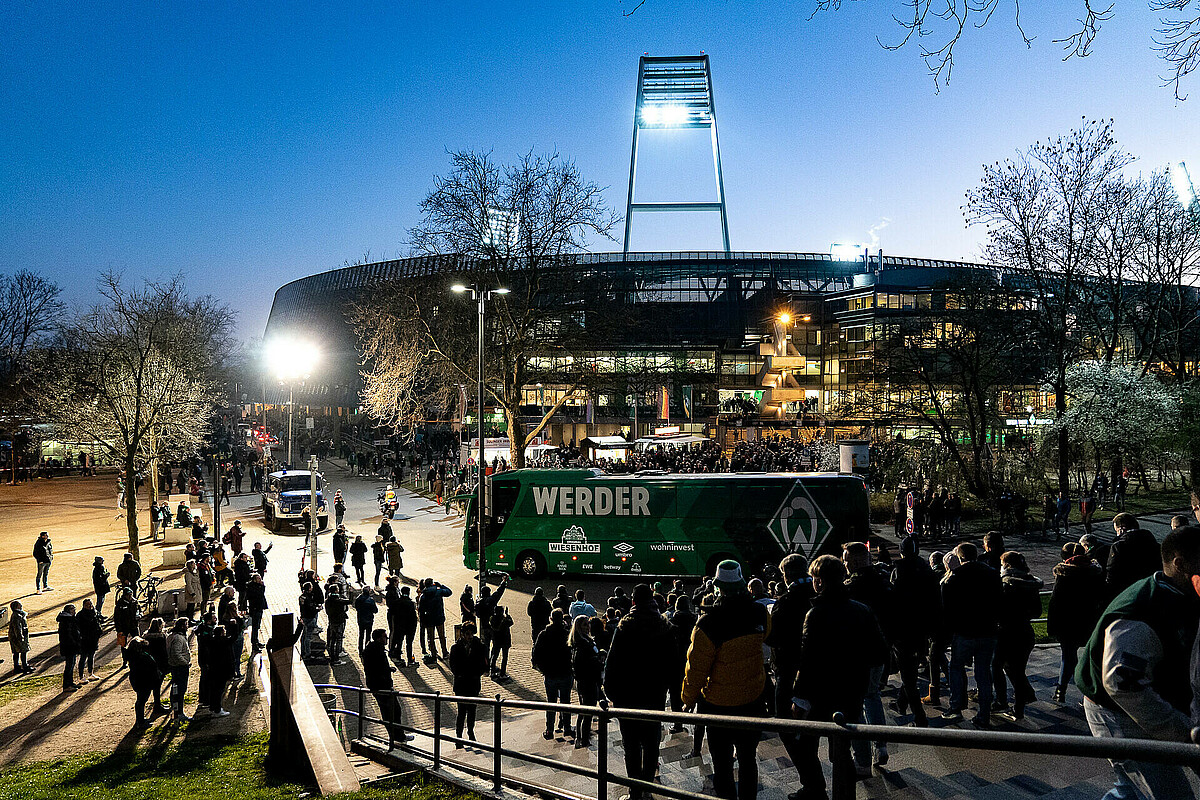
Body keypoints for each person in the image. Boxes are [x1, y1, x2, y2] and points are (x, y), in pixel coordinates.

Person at [1078, 525, 1200, 799]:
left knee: (1132, 787)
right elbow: (1122, 685)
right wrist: (1183, 732)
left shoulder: (1180, 596)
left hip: (1142, 703)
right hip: (1118, 712)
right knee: (1166, 793)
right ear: (1181, 564)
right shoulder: (1142, 612)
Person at [790, 555, 887, 800]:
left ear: (820, 582)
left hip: (821, 693)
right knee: (842, 749)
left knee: (805, 742)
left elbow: (807, 660)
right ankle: (845, 796)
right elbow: (879, 653)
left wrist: (799, 698)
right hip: (853, 690)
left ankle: (814, 789)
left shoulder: (816, 614)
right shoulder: (862, 609)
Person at [681, 561, 771, 800]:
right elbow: (766, 635)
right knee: (748, 759)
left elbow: (696, 668)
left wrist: (688, 699)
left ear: (717, 587)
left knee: (721, 764)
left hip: (718, 707)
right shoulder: (759, 612)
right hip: (752, 701)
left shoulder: (707, 623)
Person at [842, 541, 893, 770]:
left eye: (845, 559)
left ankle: (861, 758)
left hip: (856, 653)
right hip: (879, 650)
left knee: (854, 704)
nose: (844, 563)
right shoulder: (883, 581)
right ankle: (880, 745)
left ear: (853, 561)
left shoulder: (850, 588)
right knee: (872, 697)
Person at [941, 542, 1002, 726]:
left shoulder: (955, 578)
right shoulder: (992, 573)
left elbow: (947, 609)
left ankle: (956, 707)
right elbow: (1000, 600)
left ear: (960, 557)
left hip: (964, 631)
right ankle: (984, 713)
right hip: (988, 630)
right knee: (983, 672)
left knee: (956, 668)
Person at [889, 535, 939, 727]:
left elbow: (893, 601)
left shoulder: (899, 571)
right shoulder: (928, 571)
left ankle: (920, 718)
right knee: (910, 669)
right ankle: (901, 703)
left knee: (908, 675)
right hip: (923, 628)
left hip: (903, 629)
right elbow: (936, 602)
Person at [1048, 542, 1104, 702]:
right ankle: (1091, 690)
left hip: (1067, 621)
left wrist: (1052, 626)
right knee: (1092, 656)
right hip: (1089, 619)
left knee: (1068, 656)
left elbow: (1055, 602)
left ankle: (1061, 690)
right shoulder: (1095, 573)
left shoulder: (1064, 574)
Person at [993, 552, 1043, 720]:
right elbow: (1037, 611)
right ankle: (1019, 706)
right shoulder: (1031, 584)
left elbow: (999, 610)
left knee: (997, 665)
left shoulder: (1006, 585)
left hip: (1006, 632)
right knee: (1018, 670)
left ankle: (1002, 701)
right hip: (1025, 631)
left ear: (1006, 565)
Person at [362, 629, 412, 749]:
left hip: (378, 685)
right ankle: (397, 736)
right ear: (379, 638)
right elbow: (375, 669)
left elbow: (376, 667)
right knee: (392, 711)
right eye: (385, 637)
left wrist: (389, 669)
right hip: (381, 686)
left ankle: (396, 735)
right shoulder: (375, 651)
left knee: (391, 711)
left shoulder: (373, 649)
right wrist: (386, 675)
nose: (387, 639)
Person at [533, 608, 574, 739]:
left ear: (550, 618)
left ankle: (549, 729)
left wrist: (543, 669)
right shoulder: (567, 633)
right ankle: (567, 727)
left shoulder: (544, 634)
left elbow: (536, 654)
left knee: (551, 702)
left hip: (550, 673)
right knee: (565, 701)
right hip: (565, 672)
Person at [448, 622, 489, 746]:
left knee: (472, 710)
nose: (469, 636)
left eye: (471, 634)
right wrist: (461, 674)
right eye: (467, 634)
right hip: (461, 684)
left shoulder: (479, 646)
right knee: (461, 711)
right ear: (462, 634)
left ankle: (471, 732)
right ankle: (459, 736)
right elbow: (453, 665)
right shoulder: (456, 647)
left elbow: (484, 663)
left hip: (473, 683)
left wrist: (477, 673)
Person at [1106, 513, 1162, 599]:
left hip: (1127, 591)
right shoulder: (1152, 542)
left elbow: (1112, 572)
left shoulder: (1119, 546)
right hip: (1152, 588)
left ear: (1122, 529)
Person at [569, 614, 602, 748]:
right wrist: (596, 661)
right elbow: (581, 664)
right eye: (584, 624)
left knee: (586, 710)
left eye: (588, 624)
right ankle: (582, 738)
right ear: (578, 627)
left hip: (589, 680)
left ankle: (581, 737)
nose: (588, 627)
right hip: (586, 681)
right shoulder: (581, 644)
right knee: (586, 710)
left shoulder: (586, 640)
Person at [127, 637, 166, 729]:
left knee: (141, 700)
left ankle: (140, 720)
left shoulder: (133, 657)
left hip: (139, 681)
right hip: (144, 681)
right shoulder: (142, 657)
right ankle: (140, 722)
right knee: (141, 701)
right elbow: (150, 668)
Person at [166, 618, 194, 721]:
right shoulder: (178, 638)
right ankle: (179, 712)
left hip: (175, 667)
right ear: (182, 626)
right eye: (186, 624)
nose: (188, 626)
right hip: (180, 667)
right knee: (180, 690)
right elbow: (176, 654)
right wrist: (185, 662)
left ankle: (175, 708)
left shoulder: (172, 636)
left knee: (175, 689)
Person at [419, 579, 452, 661]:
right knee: (441, 636)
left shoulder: (423, 595)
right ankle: (444, 652)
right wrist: (440, 585)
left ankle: (434, 655)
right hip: (439, 617)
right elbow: (449, 592)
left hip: (429, 619)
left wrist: (423, 620)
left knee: (431, 637)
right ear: (432, 583)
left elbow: (421, 609)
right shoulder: (438, 591)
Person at [56, 603, 82, 692]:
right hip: (69, 646)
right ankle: (66, 685)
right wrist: (75, 643)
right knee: (69, 666)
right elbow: (68, 635)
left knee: (71, 664)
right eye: (72, 609)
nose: (74, 611)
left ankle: (70, 683)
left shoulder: (69, 619)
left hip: (71, 646)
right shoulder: (66, 621)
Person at [76, 598, 103, 684]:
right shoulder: (80, 615)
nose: (90, 606)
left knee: (91, 656)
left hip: (93, 639)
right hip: (84, 640)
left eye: (90, 604)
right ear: (84, 606)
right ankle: (81, 676)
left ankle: (90, 673)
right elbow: (78, 628)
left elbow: (98, 624)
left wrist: (98, 634)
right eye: (87, 605)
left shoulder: (95, 613)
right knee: (83, 658)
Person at [324, 584, 351, 664]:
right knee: (339, 639)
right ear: (336, 590)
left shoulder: (328, 600)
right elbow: (349, 601)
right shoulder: (338, 600)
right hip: (339, 621)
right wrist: (351, 593)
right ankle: (336, 658)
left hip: (332, 621)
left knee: (332, 640)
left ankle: (332, 657)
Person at [114, 587, 139, 667]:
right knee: (123, 645)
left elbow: (139, 610)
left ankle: (137, 659)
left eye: (131, 594)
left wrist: (139, 615)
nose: (130, 596)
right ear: (124, 595)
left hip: (134, 626)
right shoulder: (120, 604)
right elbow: (117, 618)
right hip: (124, 627)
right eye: (128, 595)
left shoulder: (134, 601)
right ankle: (125, 661)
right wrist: (119, 630)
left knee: (138, 642)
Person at [394, 584, 419, 666]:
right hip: (409, 627)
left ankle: (398, 657)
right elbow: (413, 617)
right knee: (409, 643)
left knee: (399, 641)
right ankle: (409, 659)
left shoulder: (397, 602)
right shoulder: (411, 603)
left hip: (400, 626)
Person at [489, 604, 514, 679]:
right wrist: (507, 615)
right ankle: (502, 674)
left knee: (495, 656)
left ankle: (492, 672)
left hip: (497, 640)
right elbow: (511, 623)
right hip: (505, 641)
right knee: (504, 657)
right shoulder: (504, 619)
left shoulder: (492, 618)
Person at [247, 573, 268, 650]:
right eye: (258, 578)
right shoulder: (252, 587)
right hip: (255, 608)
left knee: (257, 626)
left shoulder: (257, 586)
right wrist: (262, 587)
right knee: (255, 627)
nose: (260, 580)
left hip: (259, 608)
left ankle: (256, 640)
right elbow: (259, 594)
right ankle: (254, 643)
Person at [8, 600, 31, 674]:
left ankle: (17, 666)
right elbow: (17, 628)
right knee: (23, 651)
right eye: (20, 605)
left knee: (16, 653)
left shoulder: (17, 615)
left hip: (15, 637)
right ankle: (25, 666)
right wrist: (21, 638)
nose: (21, 606)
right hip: (18, 638)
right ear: (16, 606)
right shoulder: (17, 616)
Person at [355, 586, 378, 652]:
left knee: (361, 635)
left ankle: (360, 649)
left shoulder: (358, 599)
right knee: (368, 635)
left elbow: (356, 607)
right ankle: (367, 649)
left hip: (360, 619)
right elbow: (375, 610)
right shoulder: (371, 600)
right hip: (369, 619)